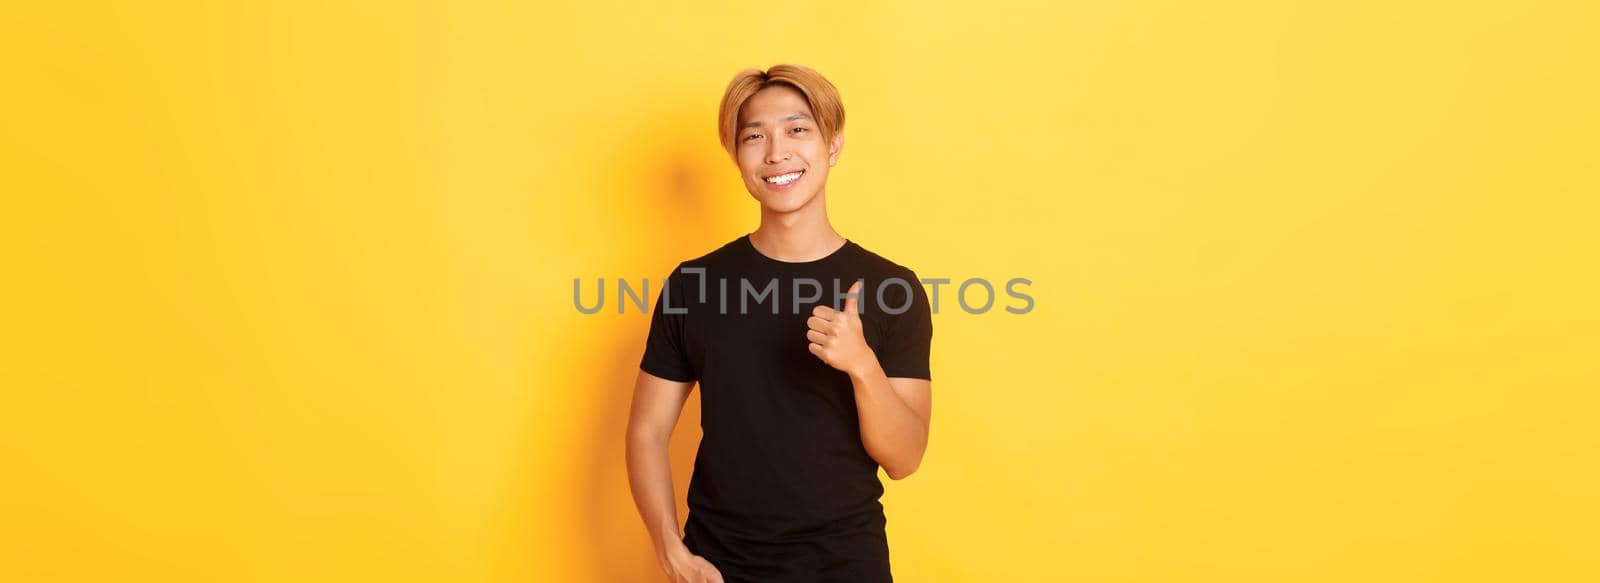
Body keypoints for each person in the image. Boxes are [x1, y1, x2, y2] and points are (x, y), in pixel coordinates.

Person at [625, 64, 934, 583]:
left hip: (845, 564)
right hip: (716, 566)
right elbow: (647, 431)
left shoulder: (891, 289)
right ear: (737, 157)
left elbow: (904, 459)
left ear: (832, 146)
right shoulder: (692, 284)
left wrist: (861, 366)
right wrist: (668, 547)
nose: (775, 153)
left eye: (797, 129)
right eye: (754, 136)